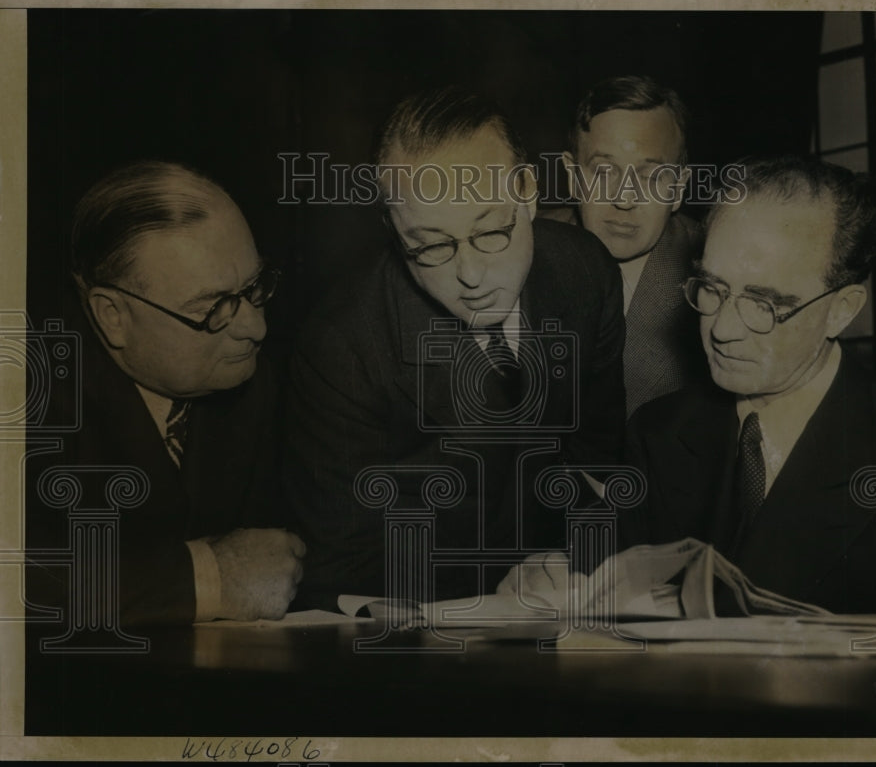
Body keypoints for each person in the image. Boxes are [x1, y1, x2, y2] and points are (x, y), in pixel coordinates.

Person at [284, 87, 626, 609]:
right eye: (430, 246)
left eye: (490, 230)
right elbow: (341, 570)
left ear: (529, 192)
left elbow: (603, 469)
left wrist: (570, 560)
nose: (470, 276)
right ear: (393, 232)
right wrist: (496, 597)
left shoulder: (586, 272)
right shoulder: (342, 346)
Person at [620, 154, 876, 614]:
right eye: (712, 288)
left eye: (764, 303)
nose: (722, 329)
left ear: (842, 309)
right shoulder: (657, 433)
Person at [26, 161, 305, 625]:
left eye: (254, 289)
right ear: (112, 315)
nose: (256, 327)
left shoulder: (248, 381)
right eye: (213, 308)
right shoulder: (27, 392)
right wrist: (209, 579)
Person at [554, 76, 705, 416]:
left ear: (679, 187)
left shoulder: (713, 270)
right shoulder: (521, 246)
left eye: (651, 177)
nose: (624, 198)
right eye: (605, 172)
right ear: (572, 175)